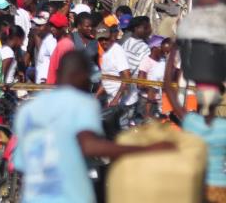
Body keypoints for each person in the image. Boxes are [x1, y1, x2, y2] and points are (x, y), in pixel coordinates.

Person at [14, 51, 173, 203]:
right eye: (88, 79)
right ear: (80, 76)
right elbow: (89, 146)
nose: (89, 84)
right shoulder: (82, 102)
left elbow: (21, 163)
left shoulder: (27, 110)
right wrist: (146, 150)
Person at [163, 45, 226, 203]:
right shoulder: (223, 128)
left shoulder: (192, 123)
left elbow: (168, 89)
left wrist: (171, 57)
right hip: (219, 187)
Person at [45, 13, 74, 85]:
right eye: (51, 25)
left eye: (56, 26)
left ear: (64, 28)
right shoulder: (62, 43)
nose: (52, 29)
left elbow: (61, 72)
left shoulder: (64, 45)